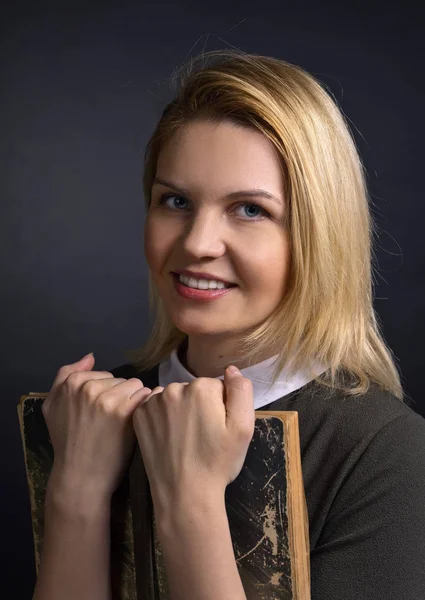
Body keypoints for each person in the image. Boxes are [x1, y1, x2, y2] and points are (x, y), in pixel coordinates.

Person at [34, 50, 425, 600]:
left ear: (318, 236)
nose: (196, 243)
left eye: (249, 210)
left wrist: (191, 500)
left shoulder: (386, 455)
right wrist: (74, 494)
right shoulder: (87, 417)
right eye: (175, 200)